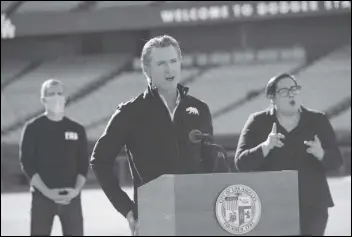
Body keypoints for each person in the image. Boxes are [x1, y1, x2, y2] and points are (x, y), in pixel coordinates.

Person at [90, 35, 220, 235]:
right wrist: (127, 209)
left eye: (173, 61)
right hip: (153, 218)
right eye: (161, 63)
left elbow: (211, 161)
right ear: (147, 70)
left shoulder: (199, 108)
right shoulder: (129, 113)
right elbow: (99, 161)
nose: (169, 69)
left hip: (197, 214)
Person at [234, 73, 343, 236]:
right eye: (284, 91)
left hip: (313, 204)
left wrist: (321, 154)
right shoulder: (257, 121)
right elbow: (240, 163)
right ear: (272, 98)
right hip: (272, 204)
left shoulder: (318, 120)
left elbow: (337, 162)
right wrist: (265, 147)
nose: (291, 94)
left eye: (294, 89)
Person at [20, 79, 89, 236]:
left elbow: (83, 164)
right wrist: (47, 192)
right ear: (44, 100)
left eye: (60, 93)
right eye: (51, 94)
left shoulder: (77, 129)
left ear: (65, 98)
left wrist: (76, 191)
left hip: (72, 199)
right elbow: (27, 164)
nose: (57, 97)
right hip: (42, 200)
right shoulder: (33, 128)